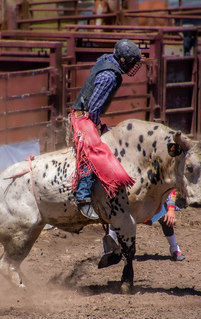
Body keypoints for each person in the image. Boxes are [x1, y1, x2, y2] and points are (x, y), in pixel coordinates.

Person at [70, 38, 142, 219]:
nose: (134, 66)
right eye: (132, 62)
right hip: (83, 117)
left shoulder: (107, 59)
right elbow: (94, 107)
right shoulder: (110, 76)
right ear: (123, 60)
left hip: (84, 113)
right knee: (93, 151)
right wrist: (95, 126)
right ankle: (83, 197)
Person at [101, 190, 185, 262]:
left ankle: (174, 248)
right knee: (118, 215)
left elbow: (170, 187)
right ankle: (109, 248)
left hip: (153, 200)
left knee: (165, 219)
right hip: (133, 199)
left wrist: (171, 209)